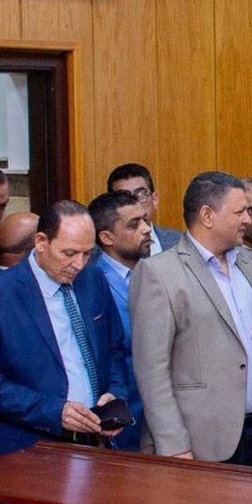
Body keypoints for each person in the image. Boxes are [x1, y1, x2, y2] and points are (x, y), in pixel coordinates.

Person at [0, 199, 129, 504]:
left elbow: (115, 349)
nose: (79, 264)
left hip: (93, 447)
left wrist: (113, 394)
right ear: (41, 242)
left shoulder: (93, 281)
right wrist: (54, 411)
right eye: (69, 253)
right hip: (25, 454)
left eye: (87, 253)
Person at [130, 172, 252, 465]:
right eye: (240, 212)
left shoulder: (248, 261)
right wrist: (174, 445)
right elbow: (152, 372)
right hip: (202, 442)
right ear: (207, 215)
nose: (249, 220)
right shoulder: (159, 274)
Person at [89, 190, 154, 451]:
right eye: (134, 224)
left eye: (145, 220)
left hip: (159, 415)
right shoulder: (94, 285)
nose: (146, 229)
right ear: (106, 237)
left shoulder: (153, 274)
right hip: (124, 419)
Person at [107, 163, 182, 256]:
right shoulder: (97, 255)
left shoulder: (180, 242)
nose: (134, 203)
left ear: (154, 200)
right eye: (124, 197)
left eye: (140, 194)